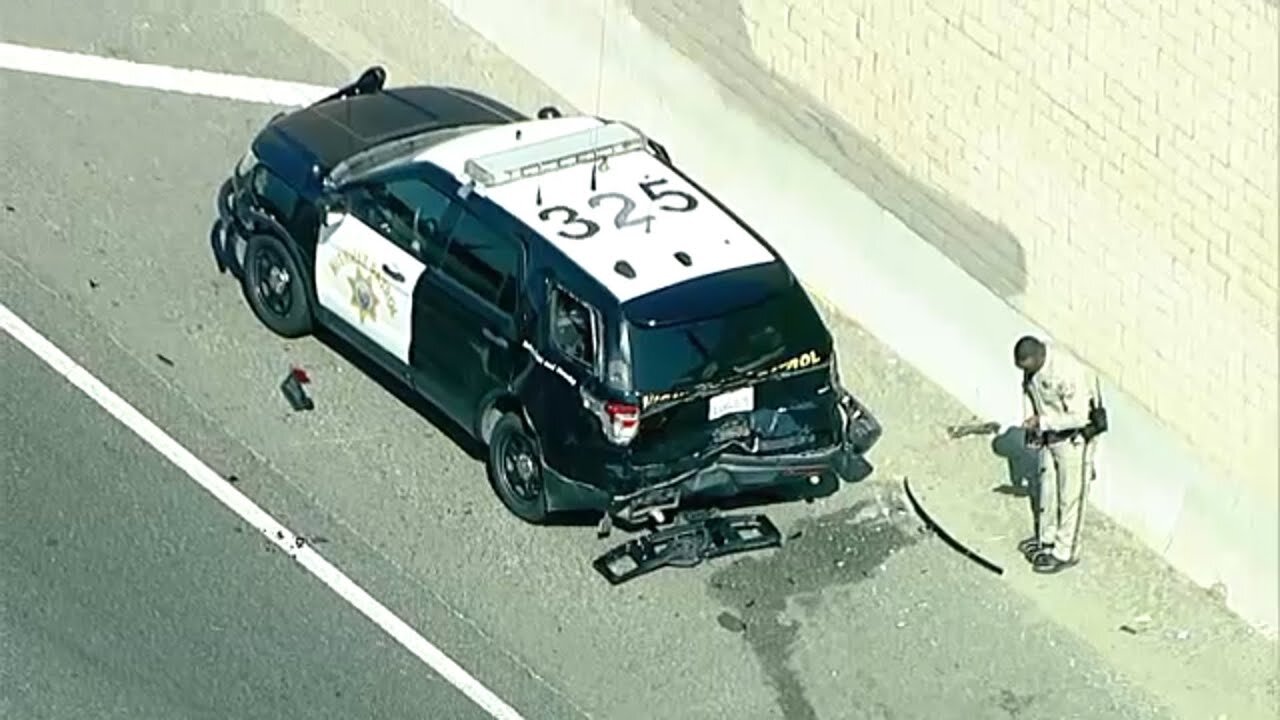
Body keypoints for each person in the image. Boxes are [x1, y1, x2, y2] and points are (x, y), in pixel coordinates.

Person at [1012, 335, 1102, 574]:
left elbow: (1079, 416)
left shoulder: (1066, 373)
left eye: (1027, 367)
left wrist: (1042, 422)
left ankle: (1066, 551)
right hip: (1049, 432)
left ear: (1040, 356)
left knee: (1070, 495)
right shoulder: (1033, 370)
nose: (1026, 372)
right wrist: (1031, 424)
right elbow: (1028, 391)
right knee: (1048, 488)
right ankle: (1047, 539)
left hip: (1074, 438)